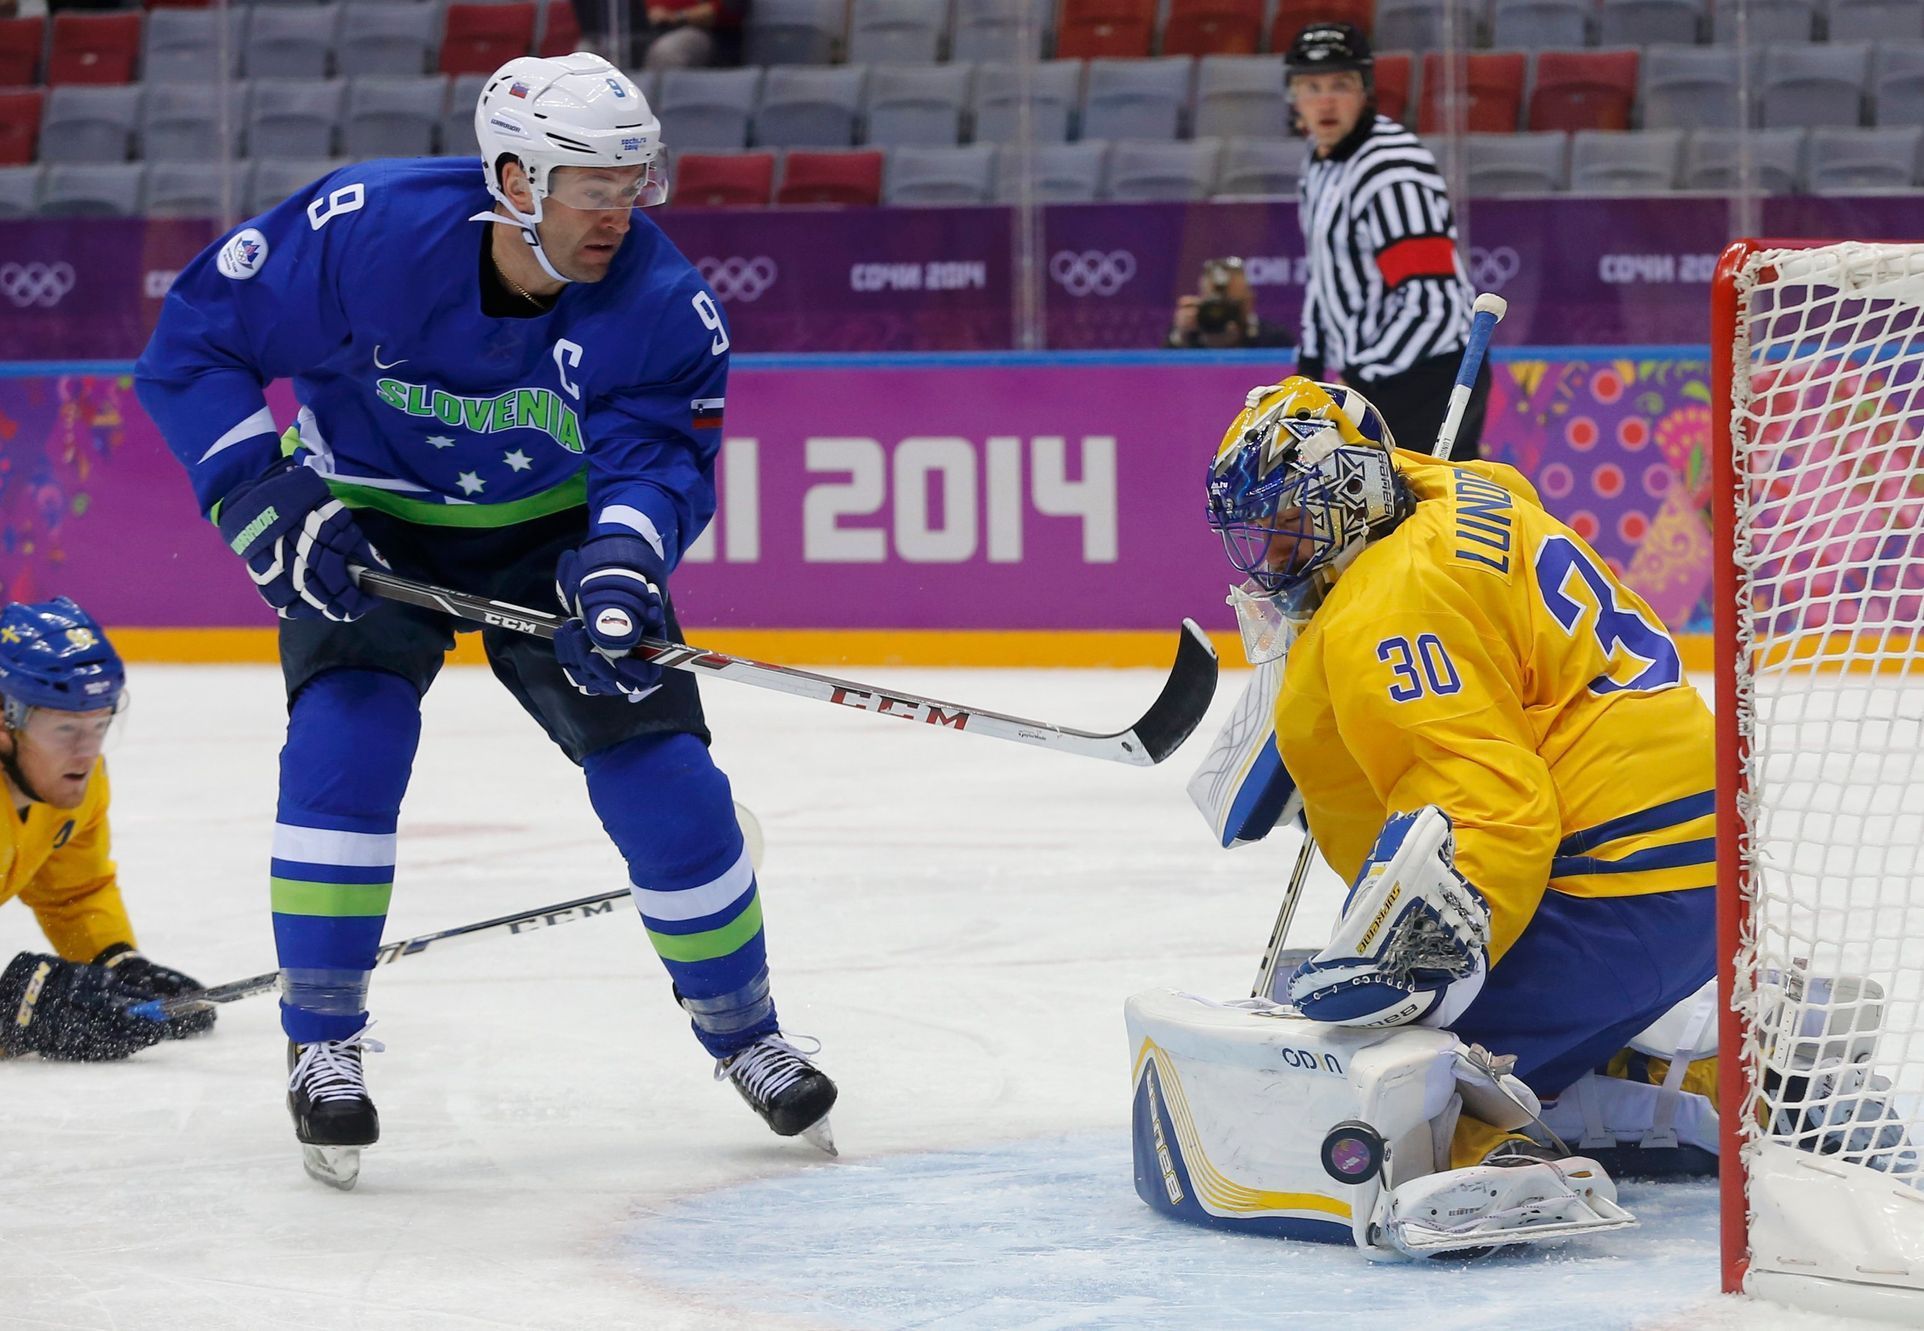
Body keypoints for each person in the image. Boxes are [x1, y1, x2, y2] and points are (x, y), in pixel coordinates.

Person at [133, 52, 835, 1189]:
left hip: (552, 536)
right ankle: (322, 1045)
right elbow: (194, 343)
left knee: (666, 780)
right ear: (514, 176)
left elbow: (655, 461)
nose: (621, 213)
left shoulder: (662, 302)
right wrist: (258, 493)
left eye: (634, 183)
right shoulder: (361, 232)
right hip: (364, 516)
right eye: (591, 187)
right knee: (343, 749)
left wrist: (621, 562)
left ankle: (745, 1031)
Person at [1200, 376, 1724, 1248]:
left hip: (1620, 879)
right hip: (1701, 862)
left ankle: (1491, 1135)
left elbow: (1491, 806)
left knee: (1385, 1073)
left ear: (1349, 498)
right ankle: (1638, 1066)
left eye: (1291, 522)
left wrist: (1424, 963)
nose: (1274, 552)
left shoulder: (1385, 609)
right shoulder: (1460, 485)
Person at [0, 597, 213, 1062]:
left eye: (99, 726)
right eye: (65, 731)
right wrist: (11, 1009)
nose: (87, 753)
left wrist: (115, 961)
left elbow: (72, 891)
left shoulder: (73, 785)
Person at [1286, 22, 1490, 460]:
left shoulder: (1392, 170)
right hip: (1380, 379)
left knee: (1419, 524)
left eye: (1340, 84)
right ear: (1293, 98)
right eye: (1310, 86)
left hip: (1430, 380)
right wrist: (1309, 372)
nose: (1325, 100)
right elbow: (1325, 276)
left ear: (1366, 91)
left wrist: (1363, 382)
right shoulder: (1319, 160)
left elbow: (1429, 303)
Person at [1165, 257, 1294, 351]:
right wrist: (1179, 338)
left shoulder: (1274, 339)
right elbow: (1160, 378)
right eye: (1214, 304)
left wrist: (1238, 342)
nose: (1220, 313)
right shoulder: (1188, 335)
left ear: (1250, 301)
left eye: (1232, 306)